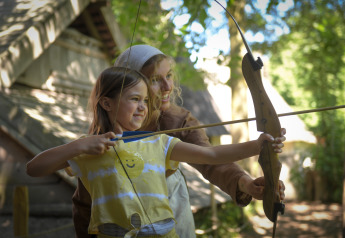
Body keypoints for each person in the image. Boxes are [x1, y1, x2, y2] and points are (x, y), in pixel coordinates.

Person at [26, 66, 285, 238]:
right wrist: (79, 145)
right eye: (134, 99)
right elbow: (33, 168)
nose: (142, 107)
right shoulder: (90, 149)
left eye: (145, 101)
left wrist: (257, 145)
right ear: (106, 103)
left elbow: (212, 156)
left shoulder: (158, 143)